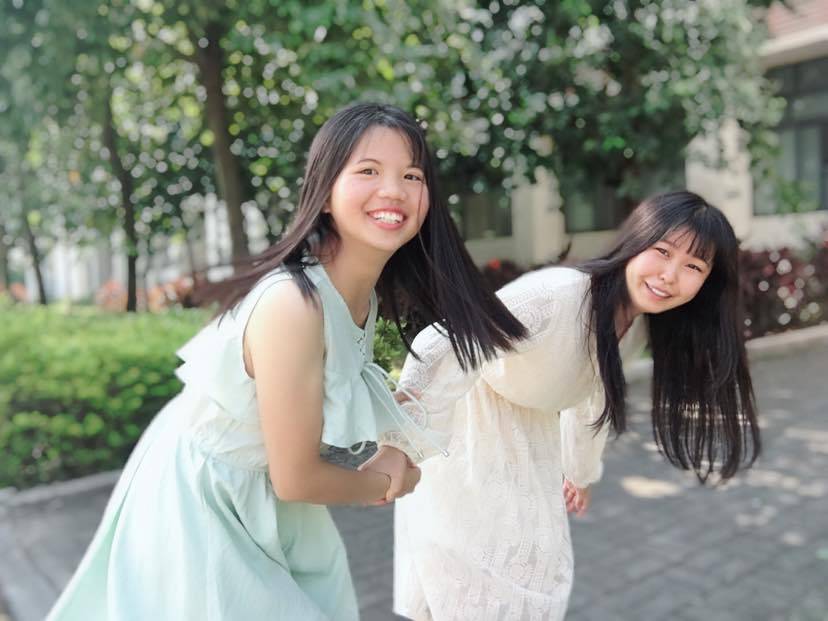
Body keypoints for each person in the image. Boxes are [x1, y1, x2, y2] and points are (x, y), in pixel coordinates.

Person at [46, 102, 526, 621]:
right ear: (325, 191)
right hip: (205, 502)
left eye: (412, 175)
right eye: (368, 171)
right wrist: (389, 483)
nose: (394, 190)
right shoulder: (294, 304)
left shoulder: (357, 296)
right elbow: (295, 477)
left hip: (266, 499)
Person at [384, 191, 762, 621]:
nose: (670, 275)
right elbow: (443, 343)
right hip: (468, 434)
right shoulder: (557, 296)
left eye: (693, 267)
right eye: (662, 251)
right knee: (478, 584)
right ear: (636, 240)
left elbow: (592, 398)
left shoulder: (633, 326)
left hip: (529, 439)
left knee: (528, 576)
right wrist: (399, 443)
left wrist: (579, 471)